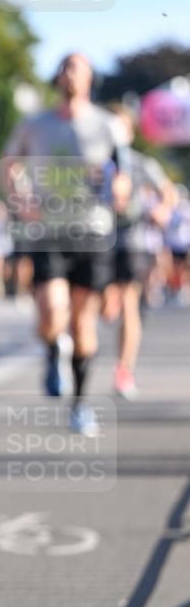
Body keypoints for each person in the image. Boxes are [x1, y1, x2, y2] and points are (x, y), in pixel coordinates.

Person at [2, 53, 130, 436]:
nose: (71, 75)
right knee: (50, 312)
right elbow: (9, 164)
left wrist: (118, 192)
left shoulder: (107, 124)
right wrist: (21, 200)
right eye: (66, 68)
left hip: (91, 232)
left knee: (82, 322)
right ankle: (53, 349)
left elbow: (122, 173)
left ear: (90, 78)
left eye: (79, 68)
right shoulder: (35, 124)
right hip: (49, 231)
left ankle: (80, 405)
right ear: (58, 77)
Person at [101, 105, 177, 400]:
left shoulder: (141, 163)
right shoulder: (91, 162)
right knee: (103, 306)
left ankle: (124, 370)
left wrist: (162, 209)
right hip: (96, 242)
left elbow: (168, 192)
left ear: (130, 133)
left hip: (131, 241)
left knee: (128, 301)